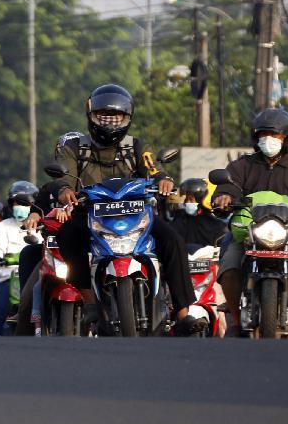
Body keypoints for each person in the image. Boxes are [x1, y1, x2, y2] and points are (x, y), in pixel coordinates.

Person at [52, 84, 196, 332]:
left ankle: (183, 314)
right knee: (66, 235)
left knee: (173, 240)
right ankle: (89, 302)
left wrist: (163, 179)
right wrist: (64, 191)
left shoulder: (137, 146)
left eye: (116, 117)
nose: (109, 123)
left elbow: (154, 169)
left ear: (127, 118)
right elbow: (63, 177)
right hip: (90, 214)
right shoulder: (74, 148)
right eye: (103, 116)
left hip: (137, 214)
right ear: (91, 116)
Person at [212, 108, 288, 339]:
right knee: (228, 267)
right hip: (249, 234)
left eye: (275, 135)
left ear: (287, 139)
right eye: (263, 134)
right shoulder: (242, 166)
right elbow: (228, 186)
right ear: (255, 138)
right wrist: (225, 197)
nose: (268, 140)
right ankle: (236, 321)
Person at [0, 181, 41, 335]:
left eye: (24, 203)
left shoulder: (41, 226)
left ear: (33, 205)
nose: (20, 207)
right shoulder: (4, 226)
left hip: (34, 278)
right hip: (9, 278)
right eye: (17, 203)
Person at [169, 178, 228, 248]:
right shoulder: (180, 219)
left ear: (201, 199)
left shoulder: (216, 224)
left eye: (191, 199)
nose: (187, 203)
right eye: (186, 199)